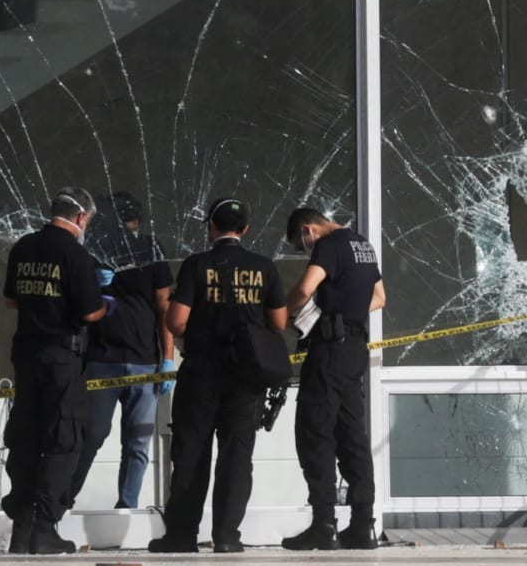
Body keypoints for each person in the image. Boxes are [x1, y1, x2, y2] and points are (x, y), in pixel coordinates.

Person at [149, 198, 287, 555]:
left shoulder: (198, 265)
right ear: (244, 230)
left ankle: (181, 536)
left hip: (202, 373)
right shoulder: (264, 267)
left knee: (191, 453)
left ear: (211, 226)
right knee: (237, 456)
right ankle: (227, 536)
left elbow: (176, 321)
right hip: (247, 377)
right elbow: (280, 323)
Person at [3, 187, 110, 555]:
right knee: (63, 441)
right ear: (81, 217)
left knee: (26, 438)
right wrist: (106, 304)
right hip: (63, 359)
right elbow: (91, 312)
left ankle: (22, 528)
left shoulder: (24, 247)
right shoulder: (75, 255)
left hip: (27, 356)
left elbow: (11, 299)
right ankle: (45, 528)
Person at [280, 207, 384, 552]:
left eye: (301, 244)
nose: (305, 249)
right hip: (356, 349)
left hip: (329, 351)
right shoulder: (363, 245)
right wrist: (346, 310)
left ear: (308, 229)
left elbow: (307, 288)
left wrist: (280, 313)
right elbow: (380, 298)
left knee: (315, 432)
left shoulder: (329, 244)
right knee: (352, 434)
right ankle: (363, 524)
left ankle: (324, 524)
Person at [70, 192, 176, 510]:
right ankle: (62, 501)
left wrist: (167, 358)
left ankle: (126, 506)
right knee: (91, 436)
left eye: (128, 220)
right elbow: (76, 304)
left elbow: (164, 307)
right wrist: (94, 281)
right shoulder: (94, 252)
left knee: (138, 442)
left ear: (137, 222)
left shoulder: (151, 249)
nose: (126, 227)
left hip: (144, 361)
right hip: (103, 359)